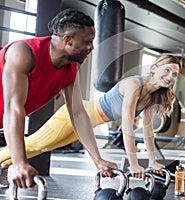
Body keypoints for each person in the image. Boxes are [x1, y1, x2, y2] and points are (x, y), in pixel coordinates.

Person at [0, 55, 180, 186]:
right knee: (34, 144)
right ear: (155, 67)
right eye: (167, 70)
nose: (170, 77)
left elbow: (148, 132)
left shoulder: (151, 97)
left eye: (174, 75)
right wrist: (133, 163)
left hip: (86, 123)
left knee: (44, 147)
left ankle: (4, 166)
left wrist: (153, 161)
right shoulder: (134, 85)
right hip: (74, 116)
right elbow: (127, 127)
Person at [0, 8, 117, 189]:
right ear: (68, 40)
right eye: (88, 41)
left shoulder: (70, 68)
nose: (92, 48)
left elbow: (78, 114)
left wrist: (97, 159)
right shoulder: (23, 53)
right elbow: (13, 107)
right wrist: (19, 162)